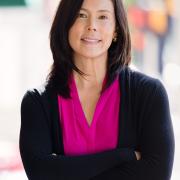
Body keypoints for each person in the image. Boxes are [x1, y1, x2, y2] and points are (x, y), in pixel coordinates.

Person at [19, 0, 174, 179]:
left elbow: (157, 175)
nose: (92, 26)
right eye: (81, 15)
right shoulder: (37, 103)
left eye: (102, 17)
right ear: (66, 24)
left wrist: (64, 168)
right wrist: (125, 156)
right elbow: (41, 173)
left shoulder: (149, 94)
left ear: (116, 29)